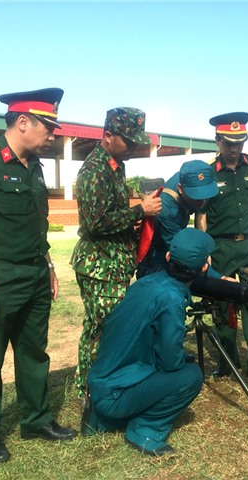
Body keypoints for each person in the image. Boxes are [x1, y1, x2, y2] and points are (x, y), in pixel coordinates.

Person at [0, 88, 76, 463]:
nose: (53, 134)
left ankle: (35, 418)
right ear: (23, 122)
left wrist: (49, 266)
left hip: (35, 273)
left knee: (33, 351)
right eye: (48, 126)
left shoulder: (33, 165)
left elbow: (36, 224)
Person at [84, 228, 213, 456]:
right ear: (204, 267)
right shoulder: (172, 298)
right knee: (191, 375)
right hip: (114, 395)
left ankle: (102, 419)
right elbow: (169, 363)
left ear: (167, 258)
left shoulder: (147, 282)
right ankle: (145, 430)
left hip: (100, 384)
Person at [71, 107, 162, 399]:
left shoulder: (114, 164)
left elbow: (113, 214)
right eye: (128, 140)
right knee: (102, 328)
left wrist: (134, 219)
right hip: (100, 264)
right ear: (108, 135)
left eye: (137, 140)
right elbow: (96, 223)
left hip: (112, 262)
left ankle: (99, 383)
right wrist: (139, 210)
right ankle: (91, 389)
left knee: (108, 326)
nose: (134, 146)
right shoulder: (95, 170)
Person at [195, 111, 248, 390]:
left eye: (239, 143)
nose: (234, 149)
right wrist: (203, 247)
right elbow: (201, 215)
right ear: (217, 141)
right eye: (228, 143)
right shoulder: (207, 172)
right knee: (222, 306)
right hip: (221, 247)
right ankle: (227, 360)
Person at [136, 160, 219, 278]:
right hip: (158, 257)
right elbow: (184, 251)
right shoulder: (167, 211)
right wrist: (217, 276)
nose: (203, 202)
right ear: (180, 188)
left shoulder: (189, 177)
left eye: (205, 195)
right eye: (196, 196)